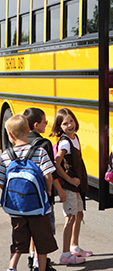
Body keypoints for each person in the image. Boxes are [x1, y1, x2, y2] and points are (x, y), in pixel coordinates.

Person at [0, 115, 58, 271]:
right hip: (38, 207)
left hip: (16, 209)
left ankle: (12, 267)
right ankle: (41, 268)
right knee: (42, 241)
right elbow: (48, 175)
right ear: (28, 130)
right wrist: (47, 190)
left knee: (18, 240)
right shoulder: (39, 152)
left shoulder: (5, 155)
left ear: (10, 135)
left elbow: (1, 181)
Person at [23, 108, 66, 271]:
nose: (47, 124)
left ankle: (32, 257)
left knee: (34, 228)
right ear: (36, 125)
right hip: (42, 195)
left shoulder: (22, 140)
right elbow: (50, 173)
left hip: (26, 194)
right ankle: (40, 264)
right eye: (45, 122)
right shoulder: (44, 144)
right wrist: (59, 191)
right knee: (45, 231)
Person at [50, 108, 92, 265]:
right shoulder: (65, 142)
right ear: (59, 127)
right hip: (70, 186)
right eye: (65, 123)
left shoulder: (74, 137)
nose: (69, 125)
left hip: (78, 186)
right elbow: (56, 163)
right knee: (70, 218)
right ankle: (65, 254)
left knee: (79, 215)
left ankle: (75, 247)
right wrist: (70, 179)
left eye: (71, 121)